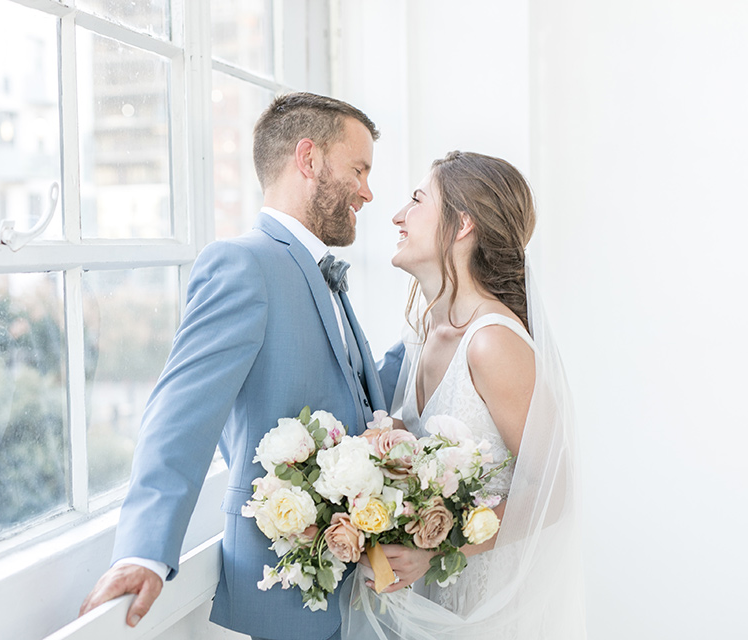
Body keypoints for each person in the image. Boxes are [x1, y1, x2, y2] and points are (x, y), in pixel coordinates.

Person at [79, 92, 389, 640]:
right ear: (309, 158)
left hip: (351, 593)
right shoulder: (242, 263)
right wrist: (144, 552)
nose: (367, 190)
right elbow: (180, 413)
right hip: (283, 597)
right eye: (359, 169)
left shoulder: (324, 273)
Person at [344, 151, 585, 638]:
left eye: (416, 200)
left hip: (488, 608)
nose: (397, 215)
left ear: (462, 225)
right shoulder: (425, 332)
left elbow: (556, 491)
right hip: (431, 602)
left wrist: (436, 548)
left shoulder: (492, 341)